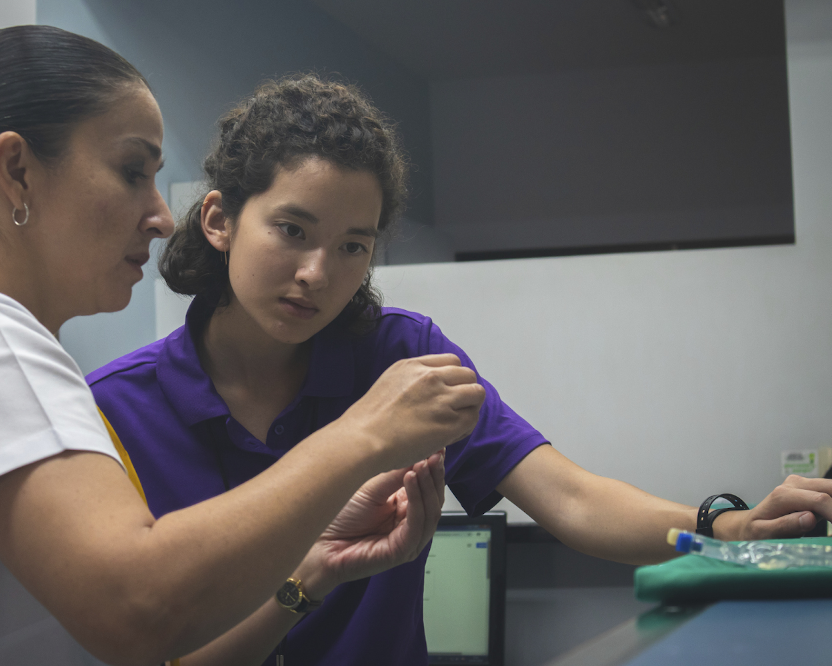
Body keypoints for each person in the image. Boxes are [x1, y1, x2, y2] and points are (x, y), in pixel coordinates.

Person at [89, 75, 832, 666]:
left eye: (355, 244)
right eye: (291, 230)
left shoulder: (401, 358)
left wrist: (728, 527)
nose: (318, 272)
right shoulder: (117, 409)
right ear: (219, 219)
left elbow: (569, 499)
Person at [0, 28, 486, 666]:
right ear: (17, 171)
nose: (162, 215)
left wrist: (311, 571)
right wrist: (365, 435)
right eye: (130, 170)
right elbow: (137, 609)